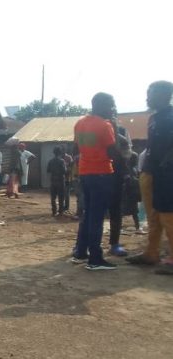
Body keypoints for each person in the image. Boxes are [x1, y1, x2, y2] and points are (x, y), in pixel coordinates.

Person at [72, 92, 122, 271]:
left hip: (85, 173)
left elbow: (76, 147)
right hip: (102, 174)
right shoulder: (105, 125)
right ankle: (95, 258)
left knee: (88, 214)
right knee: (97, 217)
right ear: (102, 105)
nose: (113, 109)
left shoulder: (80, 123)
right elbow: (112, 152)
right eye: (111, 105)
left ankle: (80, 252)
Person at [127, 80, 173, 274]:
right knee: (153, 215)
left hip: (167, 174)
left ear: (164, 95)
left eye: (151, 93)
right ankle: (151, 253)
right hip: (149, 172)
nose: (147, 97)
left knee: (168, 215)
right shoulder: (153, 118)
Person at [108, 126, 133, 256]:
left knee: (113, 212)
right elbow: (127, 156)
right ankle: (113, 244)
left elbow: (127, 156)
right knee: (114, 213)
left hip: (108, 178)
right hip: (104, 177)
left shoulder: (120, 139)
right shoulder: (120, 139)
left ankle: (83, 246)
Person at [47, 146, 67, 216]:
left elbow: (48, 171)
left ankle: (54, 211)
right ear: (60, 153)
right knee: (61, 197)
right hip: (60, 180)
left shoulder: (50, 161)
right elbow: (64, 171)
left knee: (53, 197)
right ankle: (60, 211)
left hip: (53, 180)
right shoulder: (62, 161)